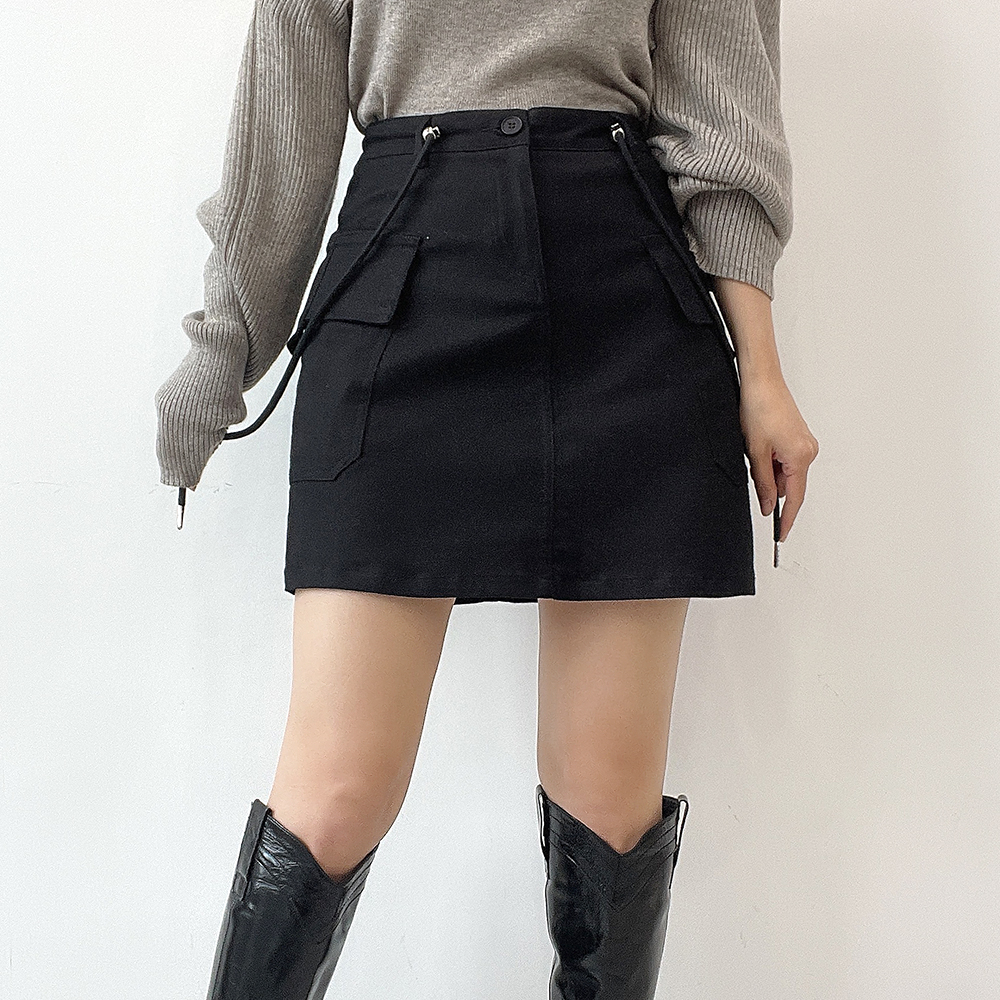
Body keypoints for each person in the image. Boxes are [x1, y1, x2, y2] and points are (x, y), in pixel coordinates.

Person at [154, 1, 819, 997]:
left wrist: (761, 373)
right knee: (334, 794)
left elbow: (722, 119)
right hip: (402, 294)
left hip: (628, 313)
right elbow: (280, 139)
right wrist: (219, 358)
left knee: (610, 805)